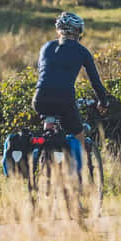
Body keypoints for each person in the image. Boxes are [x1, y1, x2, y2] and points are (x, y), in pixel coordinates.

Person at [32, 12, 109, 155]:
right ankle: (77, 174)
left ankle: (44, 158)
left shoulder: (46, 47)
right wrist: (103, 102)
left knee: (48, 135)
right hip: (64, 99)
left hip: (39, 98)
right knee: (78, 134)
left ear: (58, 30)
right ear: (77, 32)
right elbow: (95, 82)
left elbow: (43, 73)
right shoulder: (82, 51)